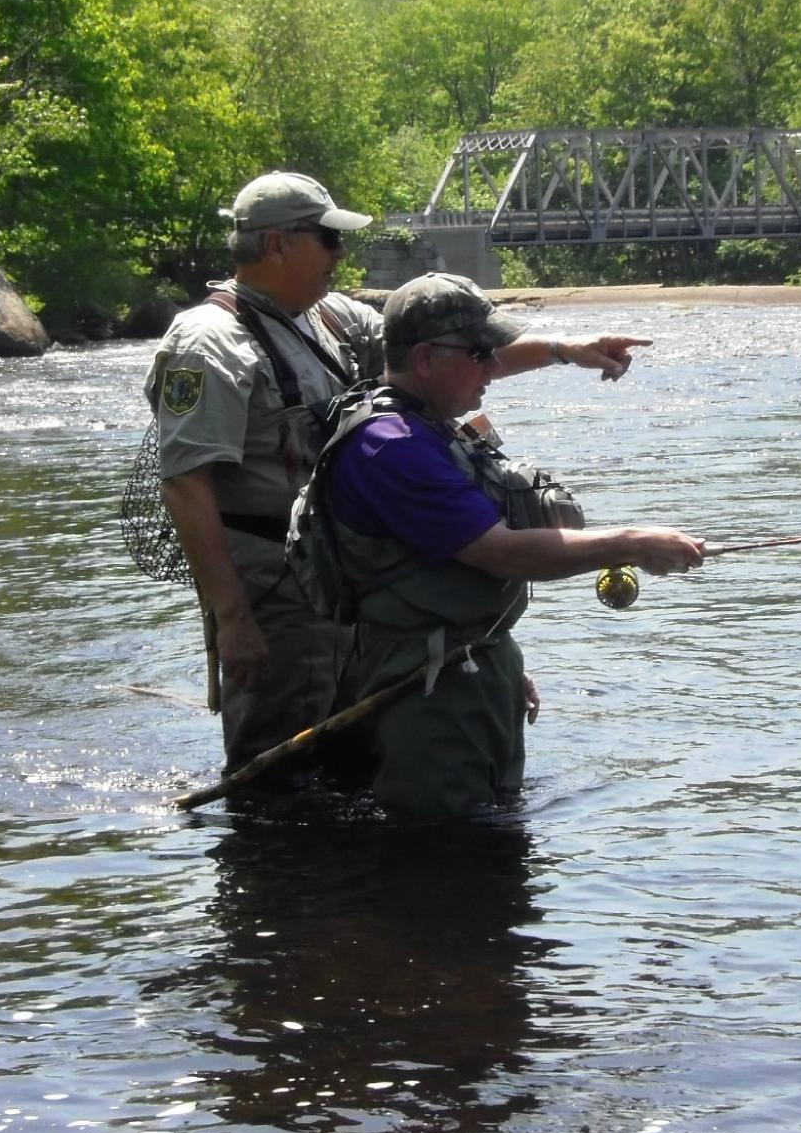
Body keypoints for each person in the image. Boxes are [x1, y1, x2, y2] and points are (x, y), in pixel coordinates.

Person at [143, 172, 655, 777]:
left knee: (361, 761)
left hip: (353, 573)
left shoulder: (330, 316)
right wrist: (233, 619)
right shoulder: (209, 342)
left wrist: (565, 348)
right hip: (272, 590)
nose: (342, 254)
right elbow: (185, 483)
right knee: (277, 774)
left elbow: (437, 358)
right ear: (277, 244)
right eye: (328, 240)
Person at [295, 272, 705, 819]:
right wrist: (632, 543)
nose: (494, 366)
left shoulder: (423, 422)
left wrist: (496, 660)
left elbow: (445, 577)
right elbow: (501, 553)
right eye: (481, 353)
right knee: (450, 857)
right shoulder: (389, 448)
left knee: (497, 852)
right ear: (425, 359)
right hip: (425, 690)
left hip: (464, 665)